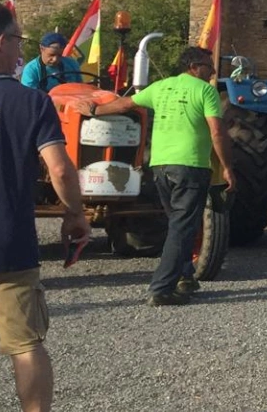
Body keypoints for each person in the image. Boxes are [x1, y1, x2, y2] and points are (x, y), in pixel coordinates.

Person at [0, 1, 90, 412]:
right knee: (26, 345)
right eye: (19, 39)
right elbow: (59, 168)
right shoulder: (31, 101)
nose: (21, 47)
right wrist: (75, 214)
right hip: (9, 244)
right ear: (1, 42)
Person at [71, 47, 234, 304]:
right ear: (193, 67)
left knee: (177, 224)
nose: (213, 71)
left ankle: (185, 277)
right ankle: (161, 288)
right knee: (182, 227)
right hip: (190, 166)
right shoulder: (205, 91)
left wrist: (93, 111)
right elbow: (217, 131)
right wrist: (227, 167)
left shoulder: (160, 87)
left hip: (160, 166)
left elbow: (125, 103)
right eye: (208, 65)